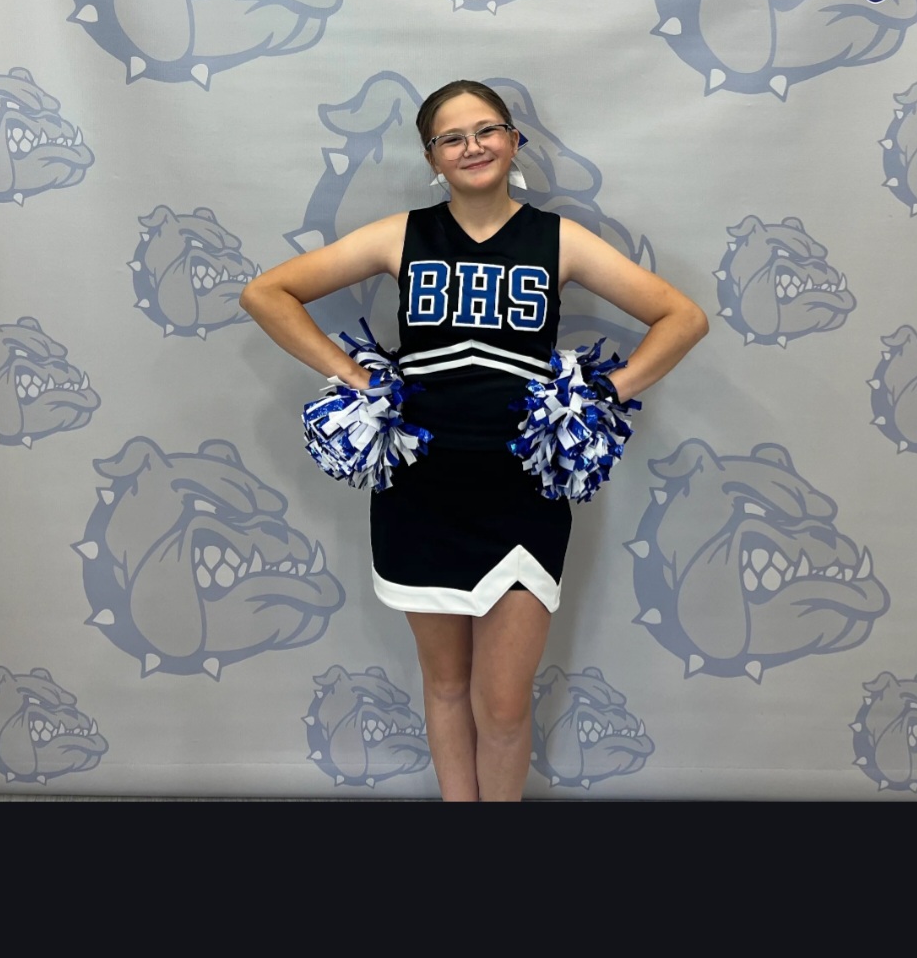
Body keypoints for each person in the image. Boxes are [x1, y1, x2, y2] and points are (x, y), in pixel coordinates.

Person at [239, 80, 708, 801]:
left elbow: (682, 317)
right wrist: (357, 378)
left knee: (504, 704)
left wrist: (607, 393)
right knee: (446, 684)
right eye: (451, 138)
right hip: (421, 491)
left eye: (486, 130)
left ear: (513, 141)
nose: (472, 146)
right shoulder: (400, 235)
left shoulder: (558, 240)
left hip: (522, 492)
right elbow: (266, 293)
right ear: (433, 158)